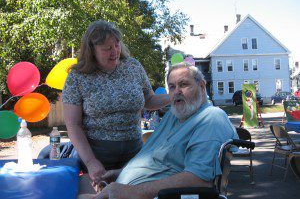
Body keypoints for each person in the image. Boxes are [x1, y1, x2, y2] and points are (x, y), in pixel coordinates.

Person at [86, 62, 238, 199]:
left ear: (202, 86)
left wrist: (133, 192)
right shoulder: (173, 116)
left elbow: (199, 179)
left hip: (154, 196)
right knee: (73, 187)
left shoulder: (211, 118)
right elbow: (154, 161)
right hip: (123, 190)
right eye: (172, 87)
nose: (176, 91)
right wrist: (119, 174)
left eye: (183, 84)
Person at [62, 20, 170, 188]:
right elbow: (73, 125)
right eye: (107, 48)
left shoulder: (133, 66)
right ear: (92, 50)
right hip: (96, 155)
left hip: (135, 153)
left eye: (117, 45)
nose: (115, 52)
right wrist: (91, 162)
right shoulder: (77, 76)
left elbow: (149, 100)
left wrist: (174, 97)